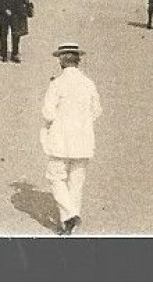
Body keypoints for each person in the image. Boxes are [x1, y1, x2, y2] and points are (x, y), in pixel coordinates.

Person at [40, 42, 102, 236]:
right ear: (78, 61)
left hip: (61, 139)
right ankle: (70, 225)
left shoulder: (57, 84)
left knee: (55, 176)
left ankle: (69, 215)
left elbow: (48, 113)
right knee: (76, 181)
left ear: (61, 60)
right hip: (83, 139)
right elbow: (97, 111)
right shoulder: (88, 83)